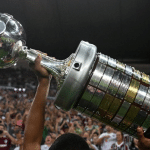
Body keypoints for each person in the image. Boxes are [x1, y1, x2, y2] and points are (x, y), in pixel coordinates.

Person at [22, 55, 91, 150]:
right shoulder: (17, 124)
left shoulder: (18, 127)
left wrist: (44, 81)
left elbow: (31, 142)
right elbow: (31, 143)